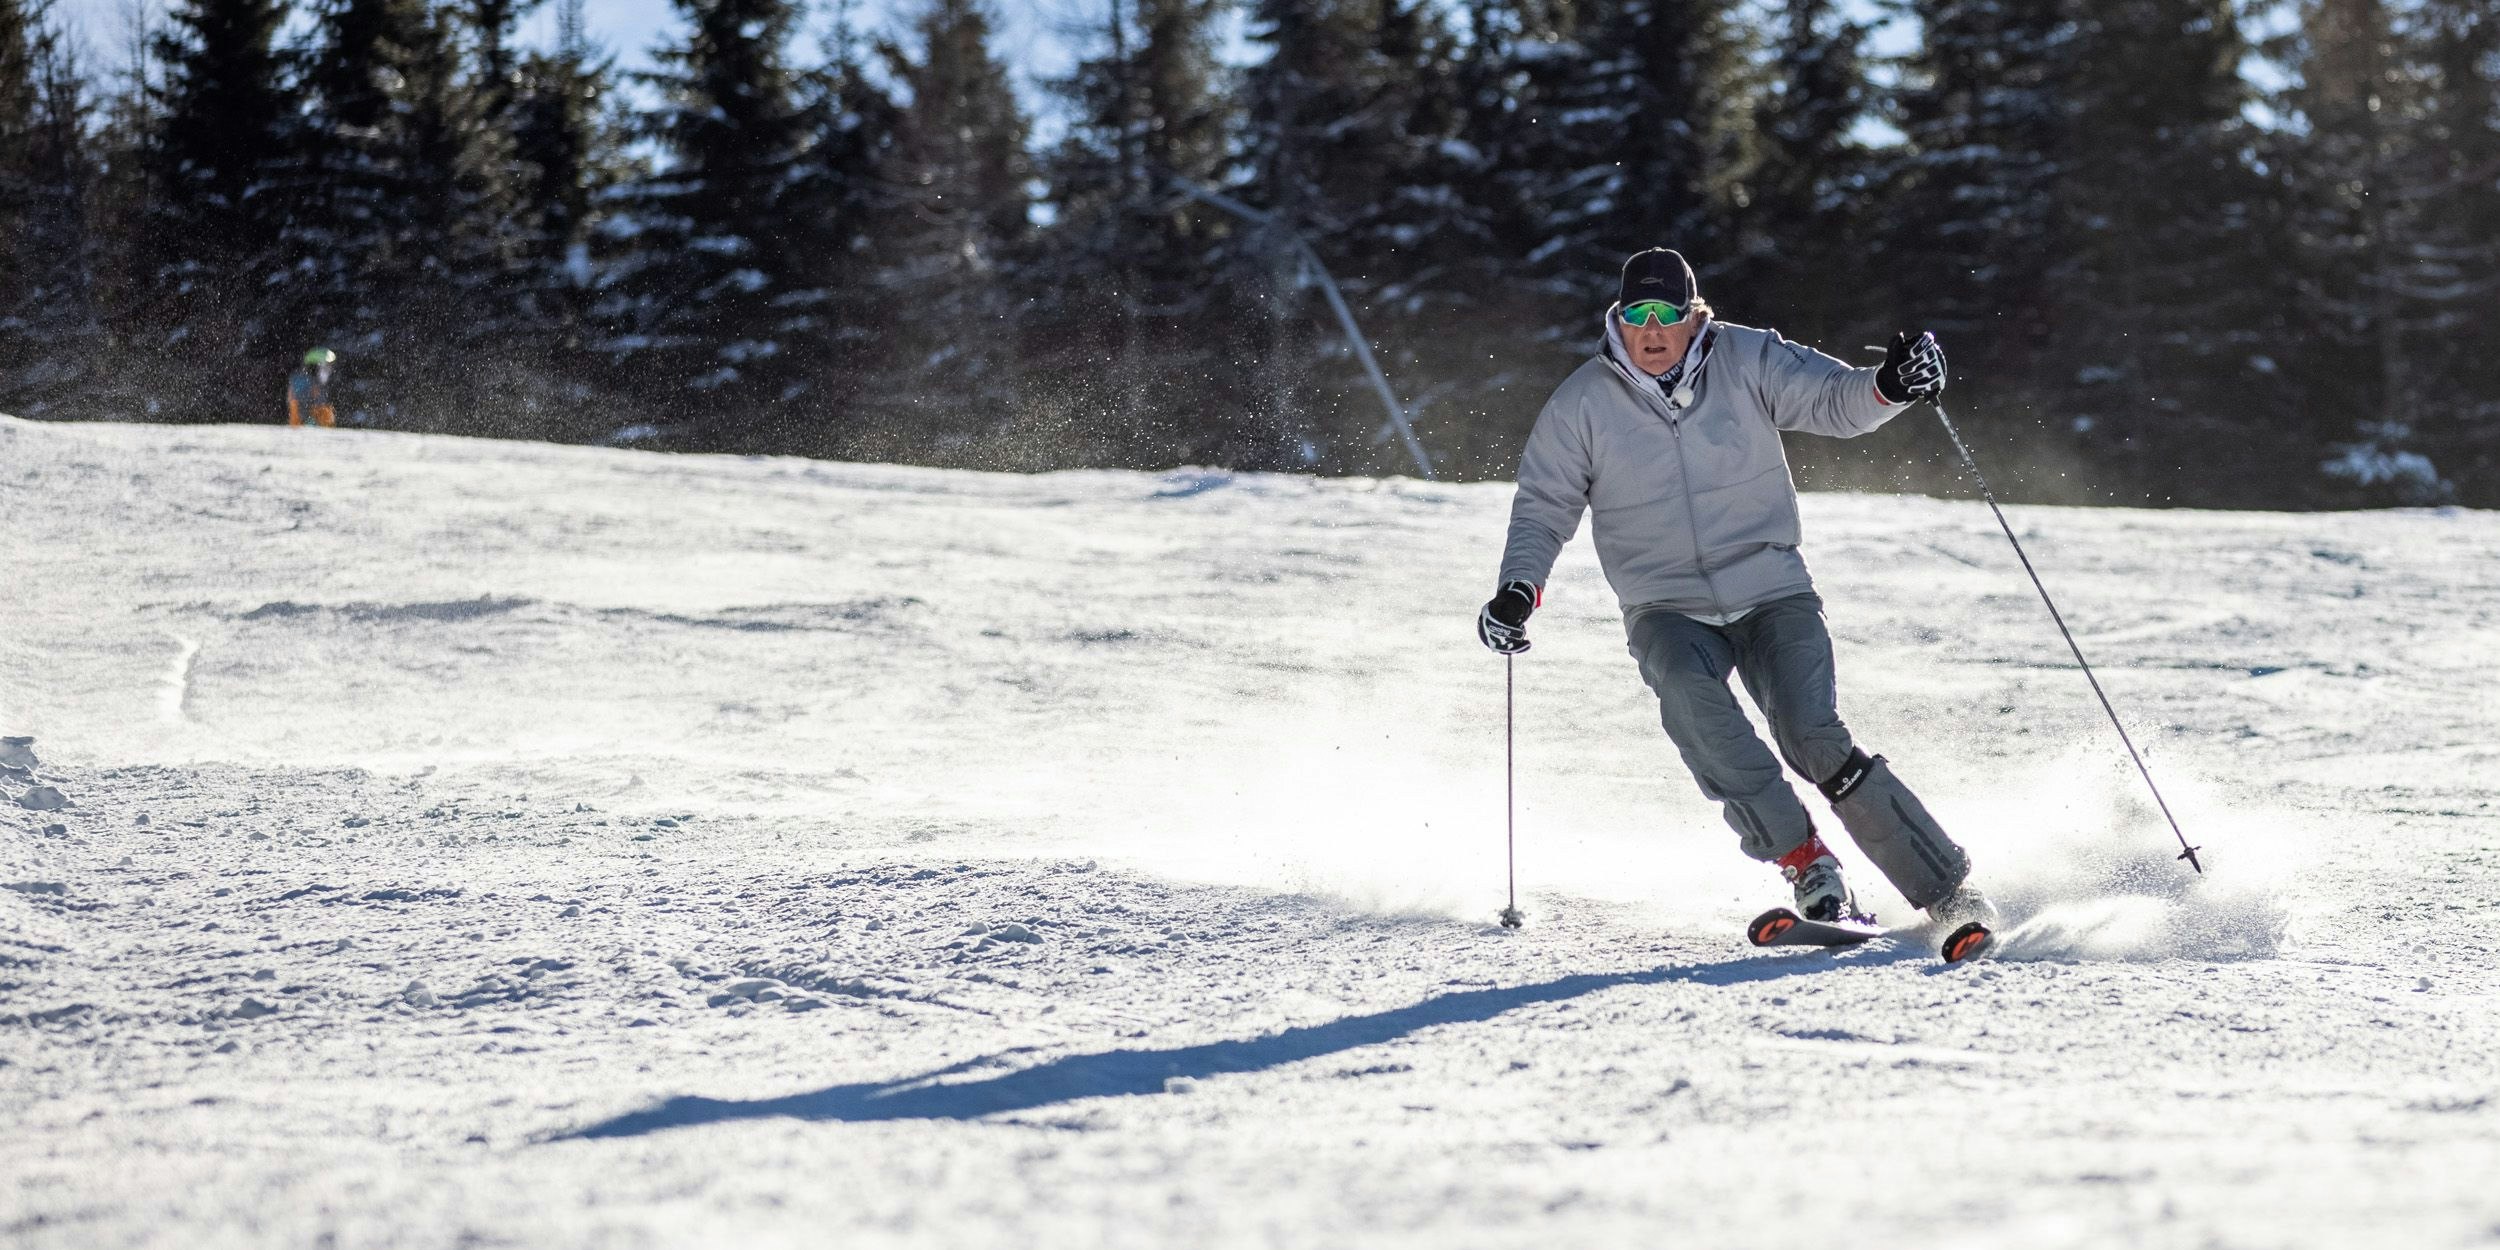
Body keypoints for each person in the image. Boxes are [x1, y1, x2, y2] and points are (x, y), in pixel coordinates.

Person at [1477, 246, 1992, 930]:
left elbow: (1836, 400)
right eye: (1638, 315)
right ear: (1619, 319)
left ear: (1695, 317)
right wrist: (1518, 589)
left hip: (1771, 587)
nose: (1653, 331)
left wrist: (1891, 385)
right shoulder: (1582, 405)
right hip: (1666, 606)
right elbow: (1545, 507)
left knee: (1814, 738)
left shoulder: (1748, 358)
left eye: (1669, 314)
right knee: (1697, 710)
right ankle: (1810, 867)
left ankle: (1948, 895)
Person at [289, 348, 338, 428]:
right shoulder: (303, 383)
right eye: (325, 367)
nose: (329, 371)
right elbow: (299, 411)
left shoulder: (318, 385)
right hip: (303, 428)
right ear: (313, 368)